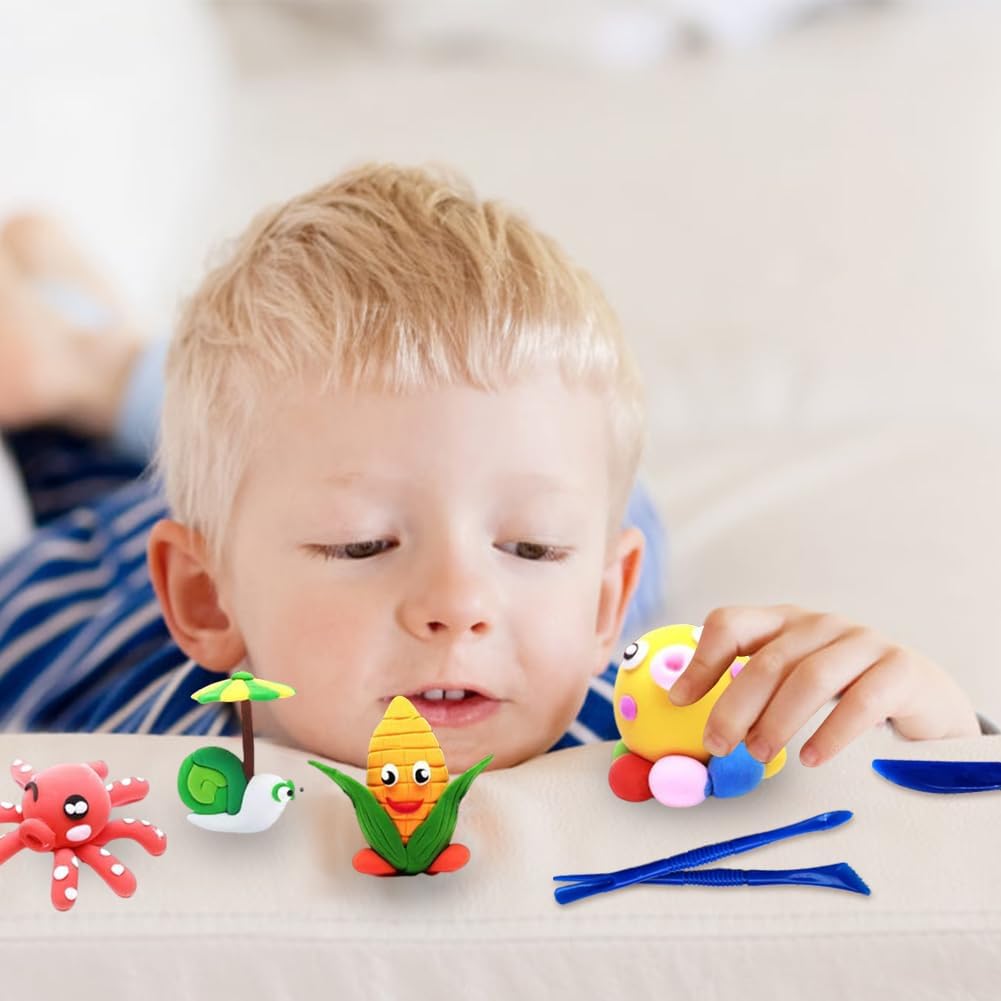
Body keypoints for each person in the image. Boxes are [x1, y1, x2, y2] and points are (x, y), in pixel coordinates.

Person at [0, 166, 986, 778]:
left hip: (551, 580)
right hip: (121, 582)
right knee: (100, 476)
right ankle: (85, 343)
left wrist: (945, 729)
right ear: (207, 599)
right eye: (362, 546)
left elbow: (922, 824)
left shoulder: (641, 730)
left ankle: (102, 341)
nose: (459, 604)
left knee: (604, 494)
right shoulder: (126, 769)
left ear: (607, 607)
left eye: (528, 549)